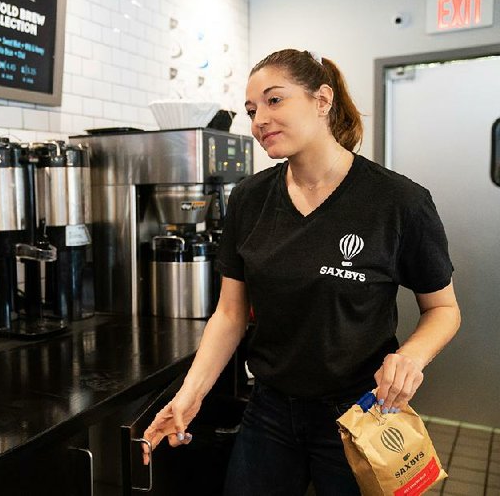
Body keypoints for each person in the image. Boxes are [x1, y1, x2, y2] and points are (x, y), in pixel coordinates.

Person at [142, 49, 461, 495]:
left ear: (322, 100)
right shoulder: (249, 199)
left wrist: (411, 357)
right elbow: (231, 314)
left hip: (360, 413)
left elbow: (443, 308)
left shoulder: (397, 201)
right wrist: (188, 397)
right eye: (252, 111)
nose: (258, 121)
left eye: (274, 101)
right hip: (269, 410)